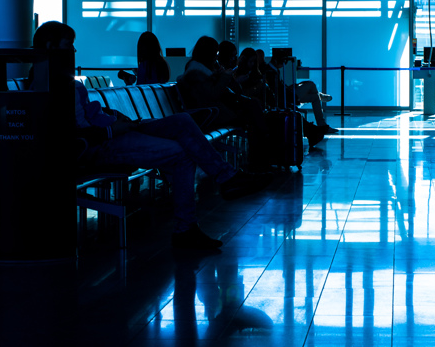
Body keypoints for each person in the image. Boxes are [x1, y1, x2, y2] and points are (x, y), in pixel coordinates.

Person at [33, 21, 270, 251]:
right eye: (68, 45)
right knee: (181, 153)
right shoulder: (49, 84)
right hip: (103, 143)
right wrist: (112, 128)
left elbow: (85, 114)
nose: (73, 50)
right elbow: (73, 132)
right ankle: (186, 226)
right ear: (51, 47)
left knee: (182, 121)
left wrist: (113, 115)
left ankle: (226, 178)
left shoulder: (62, 79)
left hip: (114, 129)